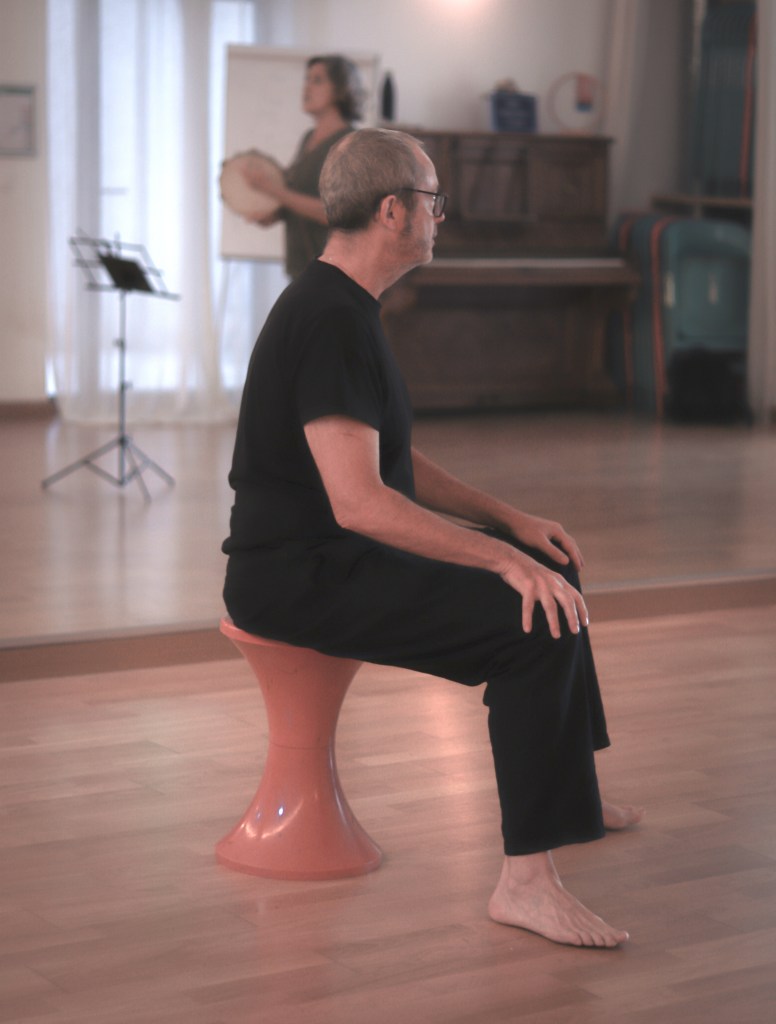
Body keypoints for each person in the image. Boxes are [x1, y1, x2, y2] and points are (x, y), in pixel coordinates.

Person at [223, 127, 640, 948]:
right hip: (298, 576)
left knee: (550, 566)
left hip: (329, 556)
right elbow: (361, 503)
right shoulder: (331, 319)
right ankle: (526, 884)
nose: (439, 216)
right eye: (432, 200)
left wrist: (510, 523)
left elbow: (388, 458)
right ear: (392, 210)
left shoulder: (343, 303)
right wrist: (500, 560)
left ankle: (572, 789)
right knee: (530, 621)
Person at [245, 54, 364, 279]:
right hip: (302, 271)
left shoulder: (349, 143)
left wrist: (273, 190)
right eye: (306, 79)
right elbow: (296, 197)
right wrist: (272, 213)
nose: (306, 87)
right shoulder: (308, 138)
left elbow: (336, 213)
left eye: (317, 80)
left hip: (333, 275)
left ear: (341, 88)